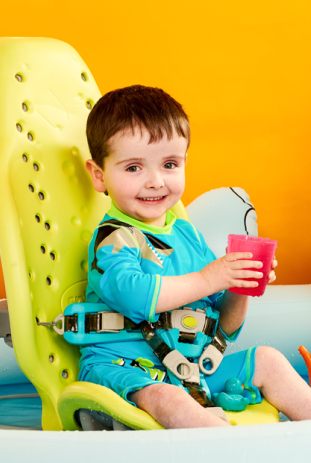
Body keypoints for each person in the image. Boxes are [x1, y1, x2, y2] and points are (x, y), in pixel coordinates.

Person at [81, 85, 311, 428]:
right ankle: (232, 452)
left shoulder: (185, 234)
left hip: (190, 371)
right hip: (125, 371)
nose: (156, 181)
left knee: (270, 360)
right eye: (133, 168)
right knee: (167, 396)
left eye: (170, 164)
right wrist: (209, 278)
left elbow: (225, 328)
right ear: (100, 175)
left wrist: (240, 284)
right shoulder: (114, 238)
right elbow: (131, 294)